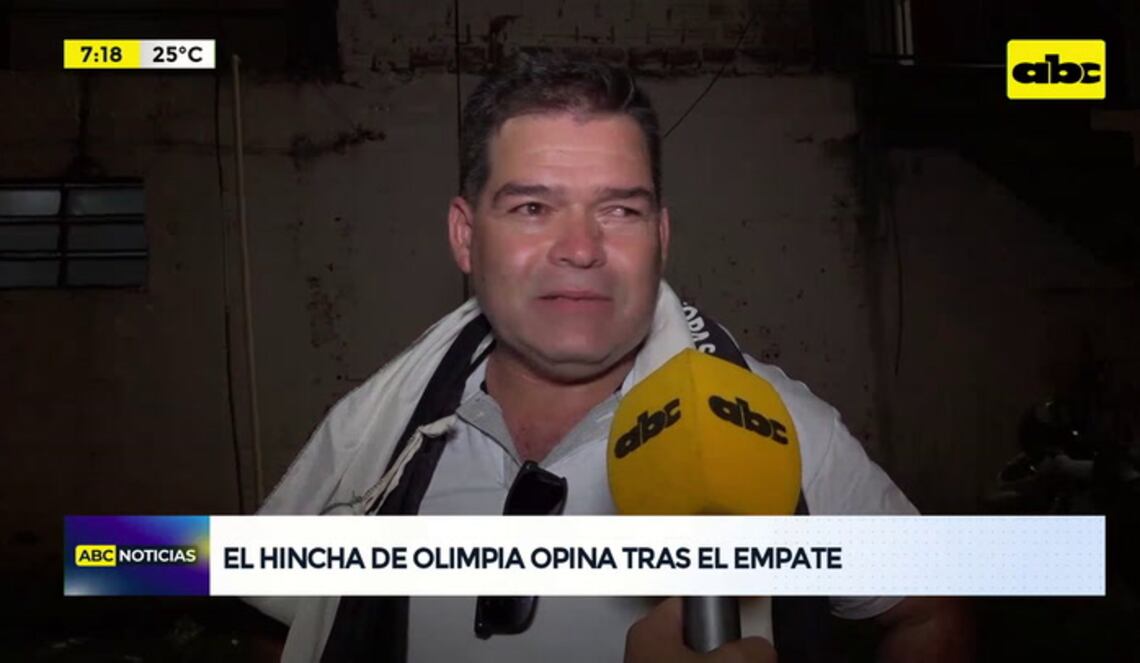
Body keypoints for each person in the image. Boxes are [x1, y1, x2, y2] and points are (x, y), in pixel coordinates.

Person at [248, 52, 973, 662]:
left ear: (661, 235)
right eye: (533, 208)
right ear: (465, 237)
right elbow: (275, 621)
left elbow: (933, 611)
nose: (581, 248)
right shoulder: (375, 438)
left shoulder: (782, 430)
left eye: (619, 210)